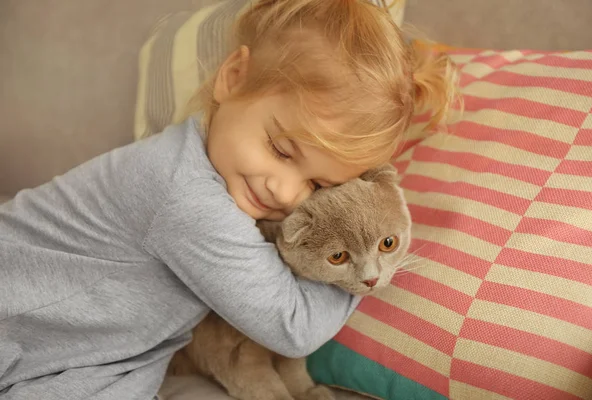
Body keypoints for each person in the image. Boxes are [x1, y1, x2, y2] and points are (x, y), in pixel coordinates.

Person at [0, 0, 459, 399]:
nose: (285, 190)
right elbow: (293, 326)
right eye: (280, 149)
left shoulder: (221, 173)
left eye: (319, 186)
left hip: (100, 350)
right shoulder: (181, 192)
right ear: (234, 79)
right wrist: (368, 265)